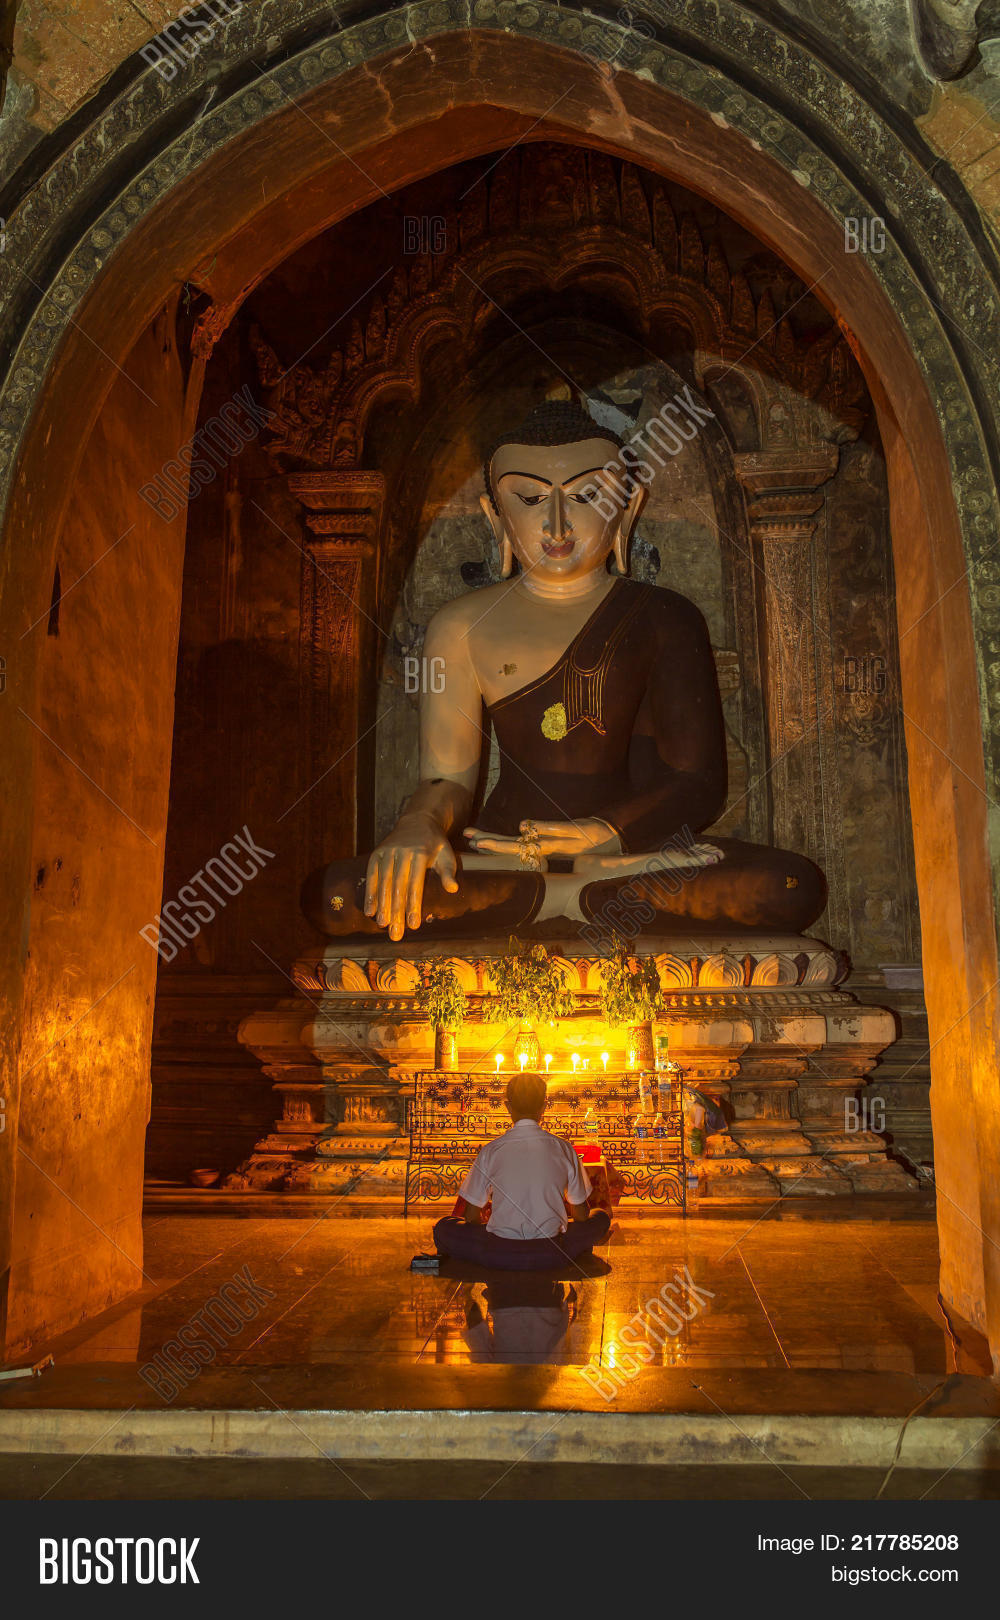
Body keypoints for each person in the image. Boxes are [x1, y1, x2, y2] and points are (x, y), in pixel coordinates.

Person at [303, 398, 826, 942]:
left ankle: (561, 894)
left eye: (585, 496)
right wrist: (419, 824)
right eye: (529, 498)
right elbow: (447, 778)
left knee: (785, 885)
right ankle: (576, 895)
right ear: (496, 516)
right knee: (340, 896)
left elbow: (697, 783)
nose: (555, 522)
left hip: (634, 851)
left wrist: (606, 838)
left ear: (627, 507)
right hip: (510, 853)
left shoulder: (665, 617)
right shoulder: (460, 625)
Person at [432, 1072, 611, 1271]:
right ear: (544, 1106)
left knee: (445, 1227)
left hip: (498, 1253)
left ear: (508, 1107)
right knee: (600, 1217)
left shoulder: (491, 1150)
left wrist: (497, 1228)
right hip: (553, 1253)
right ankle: (575, 1250)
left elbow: (471, 1216)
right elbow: (581, 1216)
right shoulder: (564, 1148)